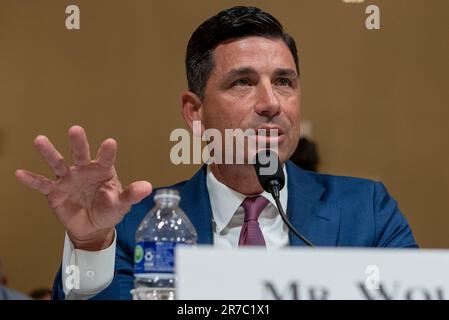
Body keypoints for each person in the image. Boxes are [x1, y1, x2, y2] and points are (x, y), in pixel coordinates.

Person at [15, 6, 418, 300]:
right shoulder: (131, 224)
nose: (271, 103)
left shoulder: (367, 209)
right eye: (243, 82)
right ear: (195, 112)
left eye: (284, 82)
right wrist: (90, 245)